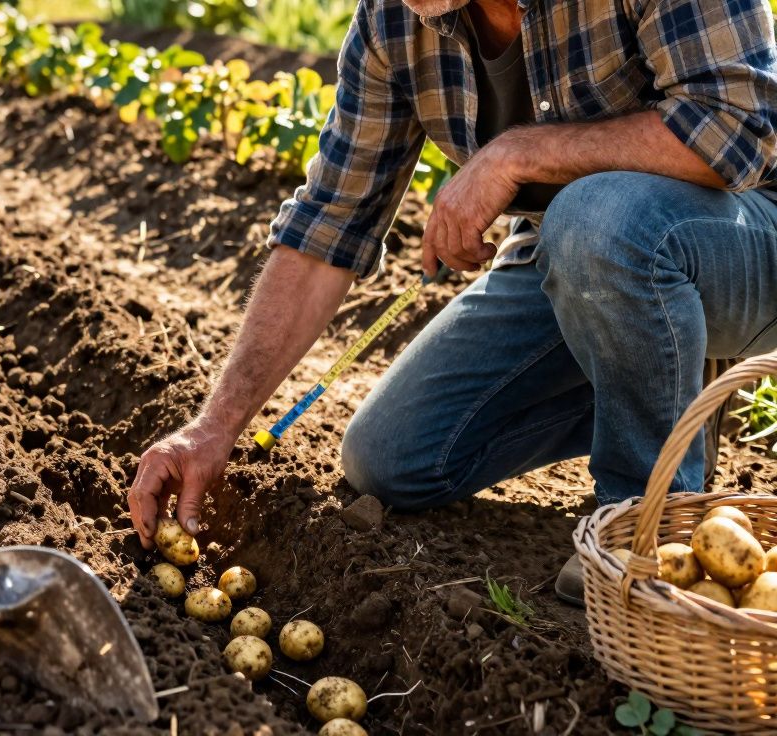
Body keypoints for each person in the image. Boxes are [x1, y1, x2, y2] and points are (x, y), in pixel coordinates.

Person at [127, 0, 777, 604]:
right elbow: (327, 227)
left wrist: (518, 153)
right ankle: (667, 364)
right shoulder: (393, 24)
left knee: (593, 218)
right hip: (580, 255)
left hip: (747, 231)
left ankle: (642, 532)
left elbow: (738, 125)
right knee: (393, 458)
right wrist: (214, 428)